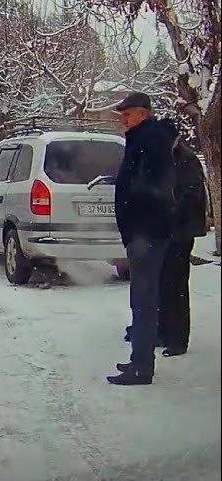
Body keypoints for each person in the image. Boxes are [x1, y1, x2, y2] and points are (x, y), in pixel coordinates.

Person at [107, 92, 177, 386]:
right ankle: (140, 359)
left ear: (143, 114)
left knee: (144, 299)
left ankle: (142, 367)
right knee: (143, 298)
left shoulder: (149, 142)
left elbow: (149, 188)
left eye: (127, 114)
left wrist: (135, 218)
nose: (123, 119)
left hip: (146, 232)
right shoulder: (144, 139)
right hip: (144, 231)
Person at [159, 135, 208, 356]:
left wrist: (170, 213)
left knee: (176, 284)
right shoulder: (169, 157)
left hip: (181, 230)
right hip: (168, 230)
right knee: (164, 282)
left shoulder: (185, 159)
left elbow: (191, 194)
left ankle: (178, 339)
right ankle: (164, 331)